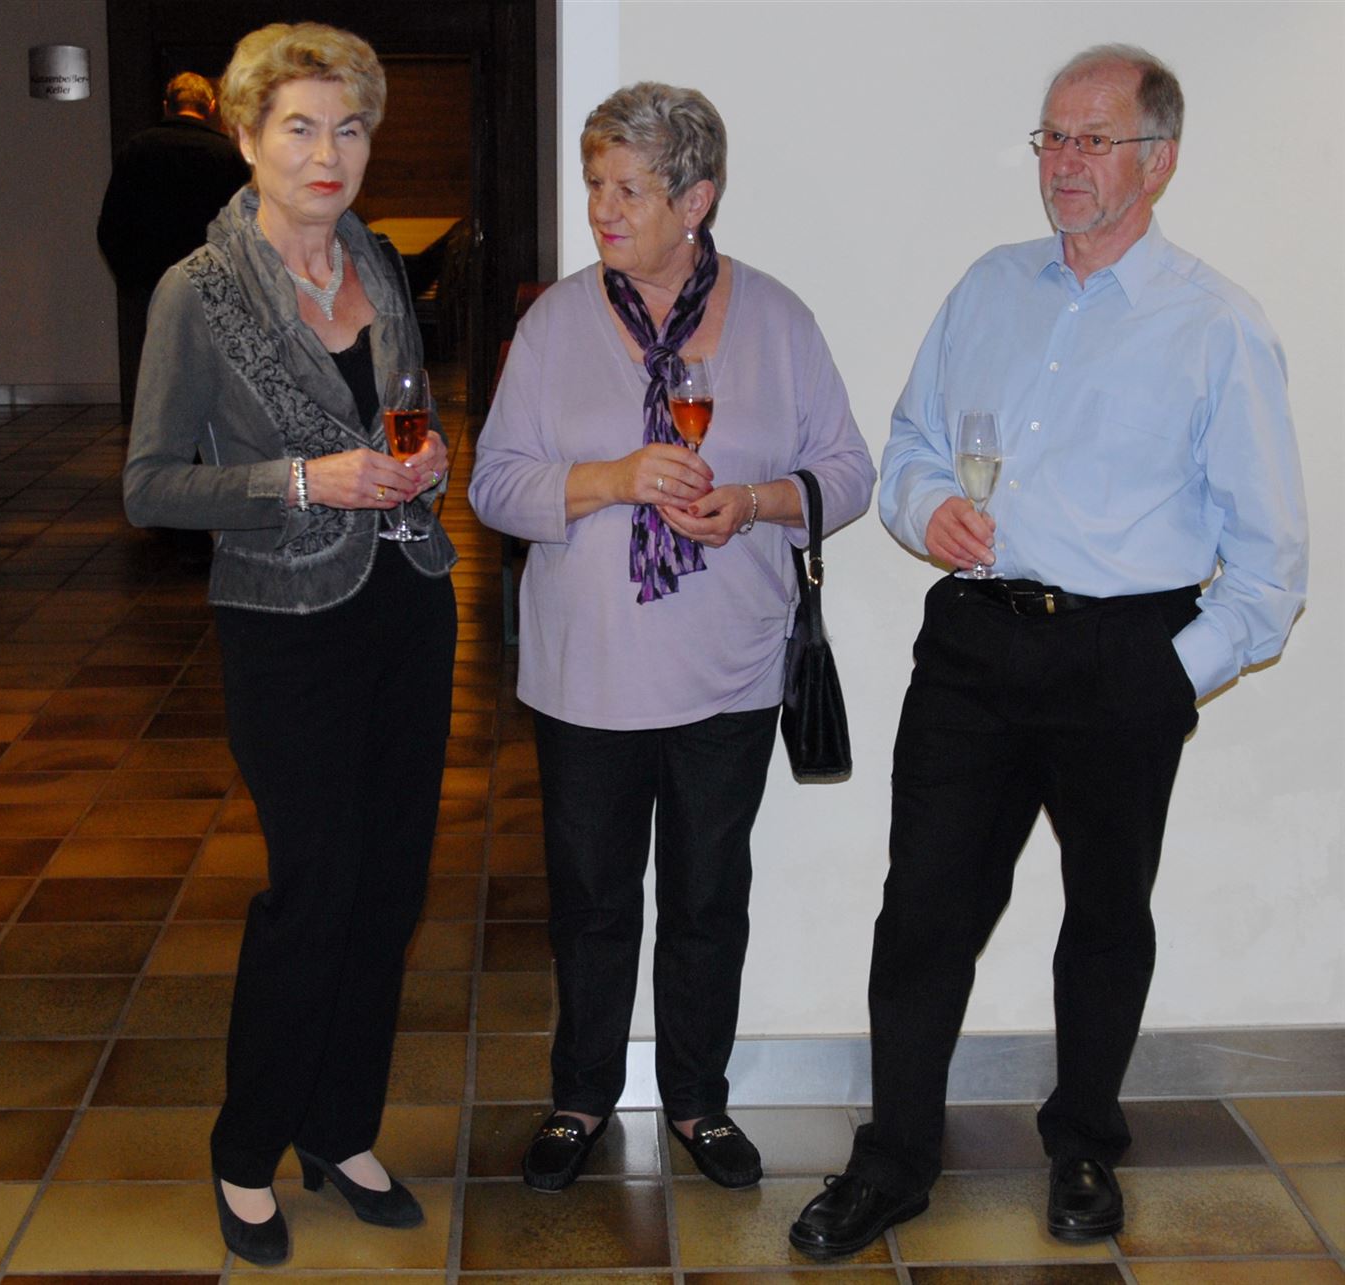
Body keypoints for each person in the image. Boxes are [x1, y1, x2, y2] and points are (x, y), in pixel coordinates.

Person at [789, 45, 1308, 1260]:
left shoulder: (1216, 325)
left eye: (1093, 140)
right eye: (1053, 138)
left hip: (1126, 654)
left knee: (1107, 915)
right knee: (923, 910)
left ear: (1157, 161)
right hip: (975, 643)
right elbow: (912, 443)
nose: (1065, 163)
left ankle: (1082, 1142)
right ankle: (894, 1159)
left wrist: (1169, 674)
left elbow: (1272, 563)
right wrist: (928, 511)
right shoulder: (988, 287)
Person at [470, 82, 874, 1194]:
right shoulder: (553, 325)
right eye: (595, 183)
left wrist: (754, 504)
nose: (602, 208)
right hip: (587, 678)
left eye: (629, 189)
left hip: (729, 674)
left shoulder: (778, 319)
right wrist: (609, 480)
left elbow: (849, 473)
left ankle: (697, 1100)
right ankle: (580, 1098)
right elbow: (493, 486)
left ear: (696, 200)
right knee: (592, 906)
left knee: (706, 903)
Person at [123, 21, 455, 1268]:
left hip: (408, 602)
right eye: (301, 127)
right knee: (313, 887)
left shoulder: (378, 259)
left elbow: (406, 417)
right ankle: (245, 1144)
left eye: (350, 127)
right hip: (285, 623)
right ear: (248, 138)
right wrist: (307, 479)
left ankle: (340, 1126)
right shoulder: (197, 291)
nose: (329, 153)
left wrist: (426, 462)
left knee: (391, 886)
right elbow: (150, 486)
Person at [98, 71, 250, 420]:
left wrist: (132, 278)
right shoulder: (228, 155)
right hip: (216, 282)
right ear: (211, 106)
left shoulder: (136, 150)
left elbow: (111, 225)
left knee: (158, 371)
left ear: (166, 105)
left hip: (151, 279)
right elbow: (246, 227)